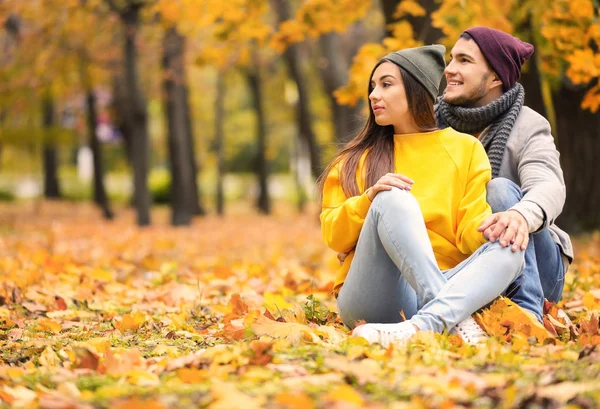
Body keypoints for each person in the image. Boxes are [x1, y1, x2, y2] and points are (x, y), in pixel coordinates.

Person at [318, 44, 524, 347]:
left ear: (418, 91)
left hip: (448, 281)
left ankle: (423, 327)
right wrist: (370, 200)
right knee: (393, 198)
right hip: (375, 299)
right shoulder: (352, 161)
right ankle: (448, 315)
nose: (374, 95)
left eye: (386, 84)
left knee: (511, 247)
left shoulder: (465, 149)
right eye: (373, 87)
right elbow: (334, 236)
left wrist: (493, 230)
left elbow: (469, 230)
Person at [435, 27, 574, 322]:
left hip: (537, 263)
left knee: (498, 189)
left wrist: (522, 215)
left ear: (496, 77)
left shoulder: (529, 125)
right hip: (463, 258)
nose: (449, 69)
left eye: (464, 61)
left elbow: (548, 184)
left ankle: (527, 314)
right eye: (451, 59)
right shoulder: (429, 123)